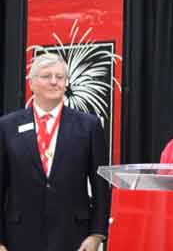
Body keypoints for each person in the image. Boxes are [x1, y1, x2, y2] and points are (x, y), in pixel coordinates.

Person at [0, 53, 110, 251]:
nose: (54, 82)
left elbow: (101, 185)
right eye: (46, 76)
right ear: (31, 83)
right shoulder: (6, 126)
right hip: (19, 237)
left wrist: (97, 234)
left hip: (74, 237)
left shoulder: (89, 126)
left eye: (60, 77)